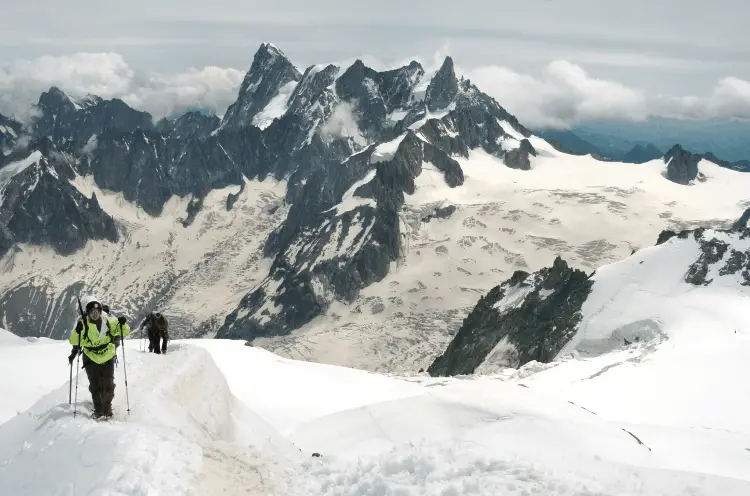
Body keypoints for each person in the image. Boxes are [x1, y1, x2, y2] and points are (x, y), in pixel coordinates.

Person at [67, 299, 130, 419]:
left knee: (108, 384)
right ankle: (99, 410)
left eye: (97, 311)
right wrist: (77, 330)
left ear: (101, 311)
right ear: (88, 312)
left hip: (106, 355)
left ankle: (106, 408)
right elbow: (74, 340)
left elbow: (124, 331)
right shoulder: (83, 323)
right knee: (95, 385)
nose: (95, 314)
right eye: (92, 311)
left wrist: (122, 324)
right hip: (91, 357)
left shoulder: (109, 321)